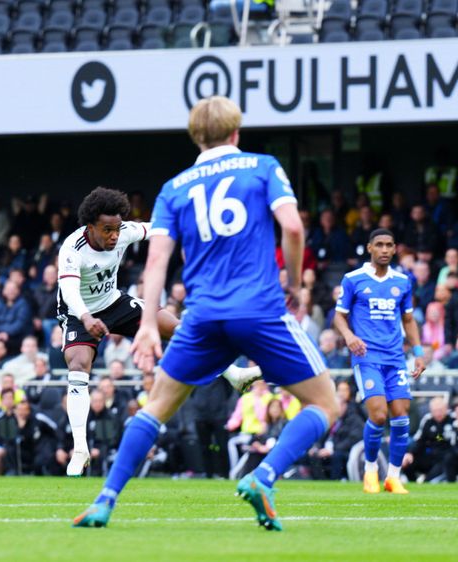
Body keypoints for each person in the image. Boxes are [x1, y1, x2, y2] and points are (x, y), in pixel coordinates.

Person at [74, 96, 338, 532]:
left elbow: (156, 262)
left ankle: (105, 500)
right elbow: (292, 227)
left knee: (155, 407)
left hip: (201, 317)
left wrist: (145, 326)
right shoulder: (262, 166)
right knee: (325, 403)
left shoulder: (174, 188)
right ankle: (263, 476)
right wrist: (293, 282)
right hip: (259, 310)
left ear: (195, 137)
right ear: (236, 132)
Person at [57, 187, 259, 478]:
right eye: (107, 230)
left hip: (114, 302)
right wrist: (86, 317)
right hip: (79, 313)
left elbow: (158, 229)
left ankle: (234, 375)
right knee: (78, 365)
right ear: (90, 227)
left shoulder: (124, 231)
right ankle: (80, 450)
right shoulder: (72, 249)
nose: (115, 236)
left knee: (178, 328)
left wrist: (192, 229)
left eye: (117, 229)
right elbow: (68, 291)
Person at [332, 228, 425, 495]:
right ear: (370, 248)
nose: (384, 250)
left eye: (389, 245)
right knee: (379, 414)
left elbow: (408, 319)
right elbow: (339, 316)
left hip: (395, 357)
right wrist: (349, 336)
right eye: (379, 245)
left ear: (395, 249)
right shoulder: (353, 279)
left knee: (401, 418)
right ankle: (371, 469)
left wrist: (418, 352)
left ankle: (393, 477)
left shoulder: (403, 281)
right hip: (367, 356)